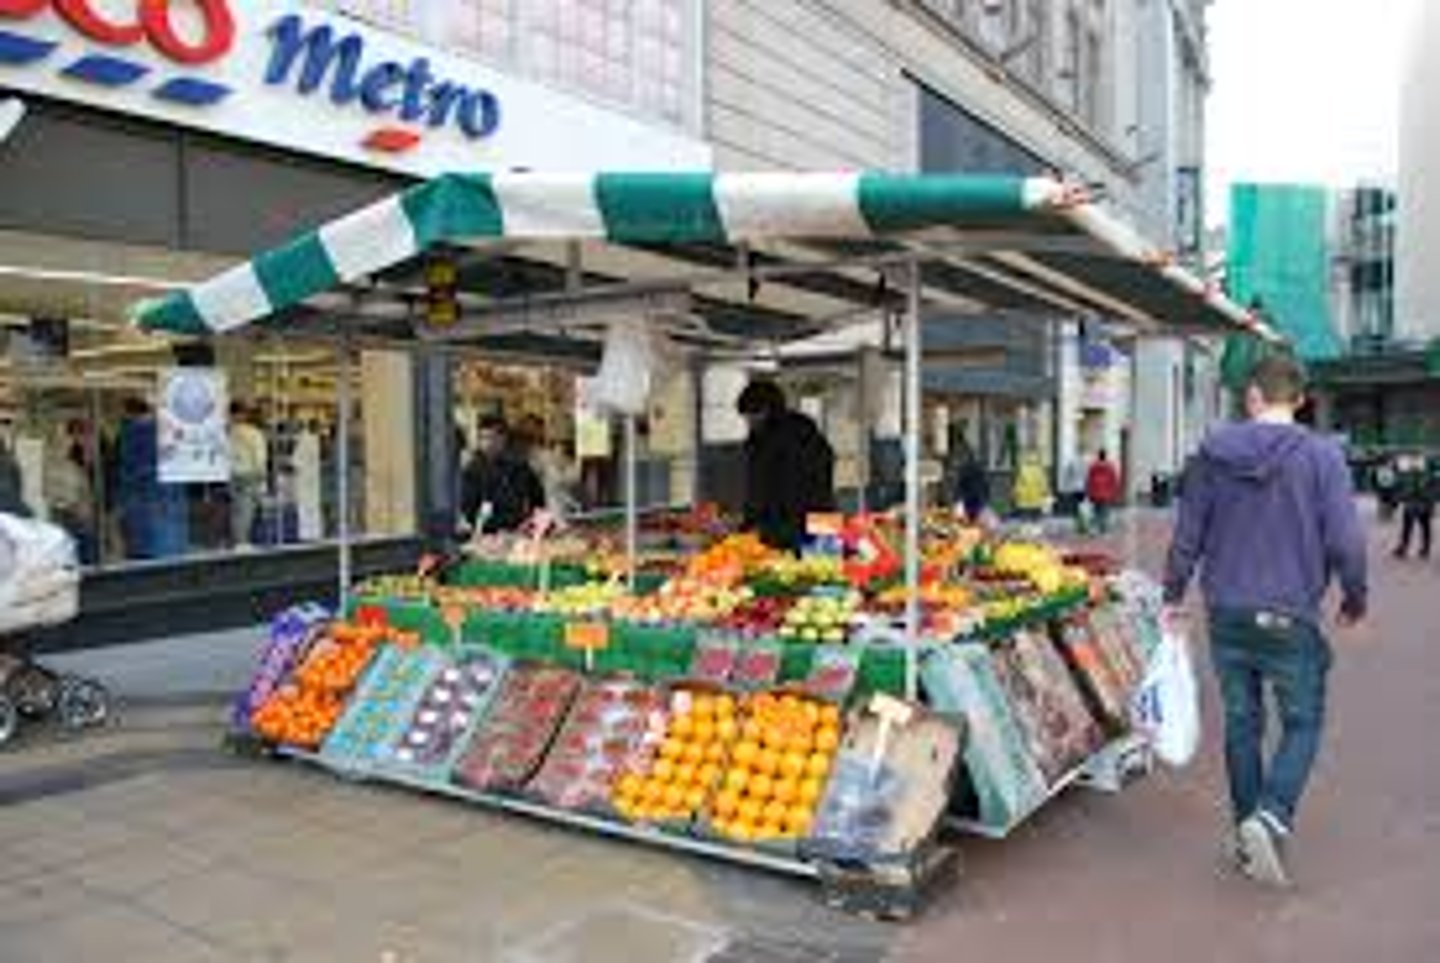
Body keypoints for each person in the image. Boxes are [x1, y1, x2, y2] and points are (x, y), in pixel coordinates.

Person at [1164, 354, 1367, 888]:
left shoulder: (1212, 453)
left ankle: (1246, 831)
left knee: (1242, 724)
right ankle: (1272, 815)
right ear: (1299, 400)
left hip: (1227, 611)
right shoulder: (1322, 456)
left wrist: (1172, 594)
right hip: (1290, 611)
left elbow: (1188, 533)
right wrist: (1354, 598)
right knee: (1303, 721)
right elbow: (1346, 540)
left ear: (1252, 396)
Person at [737, 381, 835, 551]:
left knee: (784, 567)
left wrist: (750, 524)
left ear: (767, 410)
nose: (749, 422)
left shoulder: (766, 442)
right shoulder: (810, 432)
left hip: (786, 527)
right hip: (824, 519)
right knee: (826, 565)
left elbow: (761, 489)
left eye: (753, 415)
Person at [460, 416, 545, 534]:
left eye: (493, 438)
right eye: (483, 438)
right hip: (486, 532)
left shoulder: (518, 466)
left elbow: (537, 496)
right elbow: (468, 507)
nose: (488, 443)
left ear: (503, 439)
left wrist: (532, 521)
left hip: (518, 530)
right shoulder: (473, 469)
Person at [228, 402, 269, 548]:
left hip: (233, 474)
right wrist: (262, 476)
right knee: (246, 510)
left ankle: (237, 539)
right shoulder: (254, 433)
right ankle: (242, 541)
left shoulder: (229, 432)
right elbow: (260, 457)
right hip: (250, 475)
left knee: (236, 509)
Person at [1392, 452, 1435, 560]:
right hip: (1414, 503)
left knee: (1423, 527)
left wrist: (1430, 503)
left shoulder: (1426, 474)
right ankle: (1406, 548)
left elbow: (1431, 490)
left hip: (1421, 503)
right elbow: (1405, 487)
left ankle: (1423, 549)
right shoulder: (1411, 474)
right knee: (1410, 527)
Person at [943, 431, 990, 522]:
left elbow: (957, 482)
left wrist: (957, 501)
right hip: (974, 499)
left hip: (972, 499)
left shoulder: (961, 456)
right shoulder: (965, 453)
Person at [1084, 449, 1123, 534]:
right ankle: (1104, 528)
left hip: (1095, 492)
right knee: (1105, 511)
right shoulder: (1110, 467)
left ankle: (1095, 528)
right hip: (1106, 493)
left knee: (1095, 511)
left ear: (1098, 456)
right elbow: (1114, 480)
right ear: (1105, 456)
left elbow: (1089, 480)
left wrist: (1088, 492)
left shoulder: (1093, 466)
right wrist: (1115, 493)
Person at [1010, 452, 1051, 520]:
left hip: (1026, 494)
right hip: (1034, 494)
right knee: (1035, 509)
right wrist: (1045, 490)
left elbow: (1019, 481)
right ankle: (1034, 518)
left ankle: (1028, 518)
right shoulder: (1039, 469)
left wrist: (1017, 491)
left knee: (1026, 509)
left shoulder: (1024, 468)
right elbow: (1043, 481)